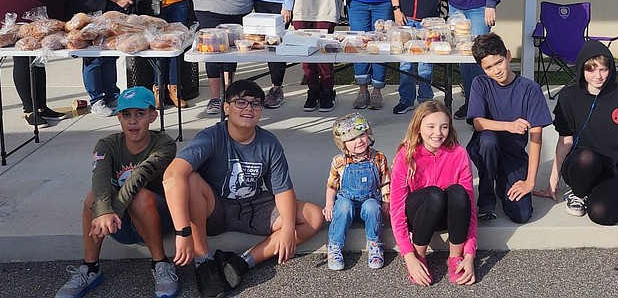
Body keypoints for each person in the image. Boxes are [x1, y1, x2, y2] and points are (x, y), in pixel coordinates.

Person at [163, 80, 324, 298]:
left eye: (256, 104)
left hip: (253, 207)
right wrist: (183, 232)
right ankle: (204, 264)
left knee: (313, 216)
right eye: (241, 102)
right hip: (215, 208)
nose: (249, 108)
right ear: (226, 107)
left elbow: (282, 189)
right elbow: (172, 175)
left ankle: (242, 262)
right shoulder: (211, 136)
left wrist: (287, 228)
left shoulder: (269, 142)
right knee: (191, 179)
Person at [53, 86, 179, 298]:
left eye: (140, 114)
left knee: (140, 196)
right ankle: (90, 268)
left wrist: (114, 211)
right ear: (118, 117)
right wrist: (103, 212)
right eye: (126, 114)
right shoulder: (106, 144)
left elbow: (140, 176)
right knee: (93, 197)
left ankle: (160, 263)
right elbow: (100, 178)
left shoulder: (164, 144)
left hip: (156, 220)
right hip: (116, 223)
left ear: (152, 116)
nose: (133, 120)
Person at [535, 40, 618, 224]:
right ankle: (579, 193)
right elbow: (565, 142)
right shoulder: (569, 97)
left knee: (601, 214)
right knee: (586, 157)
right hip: (582, 168)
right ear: (581, 69)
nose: (598, 76)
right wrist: (551, 185)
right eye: (591, 70)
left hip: (615, 172)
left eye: (603, 69)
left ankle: (597, 196)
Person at [465, 32, 550, 224]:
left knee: (521, 215)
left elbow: (537, 138)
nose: (496, 71)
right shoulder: (480, 83)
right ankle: (486, 199)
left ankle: (503, 182)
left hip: (514, 155)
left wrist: (530, 181)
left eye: (499, 62)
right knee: (488, 140)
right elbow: (477, 123)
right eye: (488, 67)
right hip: (485, 149)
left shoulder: (530, 89)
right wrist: (509, 126)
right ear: (481, 68)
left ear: (509, 56)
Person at [391, 100, 477, 286]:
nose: (438, 133)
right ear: (418, 127)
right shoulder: (406, 155)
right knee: (434, 194)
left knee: (459, 193)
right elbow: (397, 209)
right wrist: (409, 256)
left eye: (444, 127)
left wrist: (469, 255)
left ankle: (456, 257)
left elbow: (469, 208)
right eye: (431, 126)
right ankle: (419, 255)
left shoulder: (460, 154)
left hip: (448, 216)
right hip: (420, 215)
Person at [323, 113, 390, 271]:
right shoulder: (339, 161)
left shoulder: (378, 158)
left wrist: (387, 201)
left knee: (373, 206)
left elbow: (386, 181)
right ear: (342, 143)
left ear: (368, 133)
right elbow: (332, 184)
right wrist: (329, 204)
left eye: (361, 135)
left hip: (369, 201)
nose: (358, 141)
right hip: (347, 202)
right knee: (344, 207)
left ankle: (374, 245)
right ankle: (335, 246)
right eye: (352, 139)